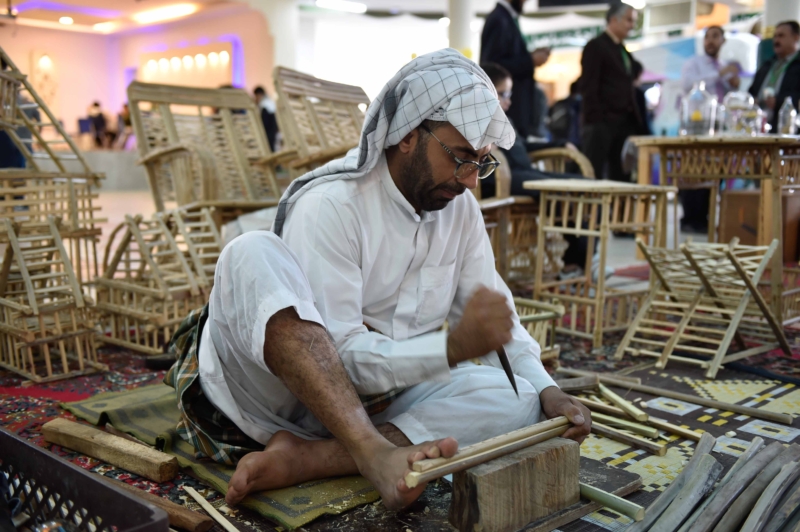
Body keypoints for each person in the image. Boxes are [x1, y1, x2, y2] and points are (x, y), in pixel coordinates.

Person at [165, 49, 591, 509]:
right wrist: (448, 348)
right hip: (271, 398)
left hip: (382, 401)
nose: (470, 180)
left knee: (518, 399)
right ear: (407, 134)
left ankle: (314, 459)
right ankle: (369, 453)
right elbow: (338, 361)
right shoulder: (333, 205)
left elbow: (494, 312)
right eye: (460, 157)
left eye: (481, 162)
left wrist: (548, 389)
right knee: (249, 252)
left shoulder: (459, 209)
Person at [579, 2, 642, 182]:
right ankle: (593, 211)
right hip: (602, 122)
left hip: (623, 122)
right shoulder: (596, 46)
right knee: (594, 173)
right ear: (614, 19)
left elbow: (632, 71)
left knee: (622, 174)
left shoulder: (621, 49)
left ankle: (619, 210)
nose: (632, 26)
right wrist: (597, 119)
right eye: (629, 20)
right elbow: (589, 85)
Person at [481, 0, 541, 139]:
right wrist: (530, 61)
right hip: (510, 112)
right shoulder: (499, 20)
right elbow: (493, 67)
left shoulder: (505, 18)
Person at [748, 20, 800, 129]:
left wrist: (779, 101)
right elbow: (751, 92)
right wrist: (753, 100)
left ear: (796, 37)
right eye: (775, 36)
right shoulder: (767, 65)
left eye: (781, 36)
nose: (776, 40)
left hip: (787, 127)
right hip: (759, 125)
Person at [681, 25, 741, 101]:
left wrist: (734, 85)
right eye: (707, 37)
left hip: (719, 111)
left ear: (723, 40)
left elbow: (728, 95)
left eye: (715, 36)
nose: (710, 41)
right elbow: (687, 85)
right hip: (698, 112)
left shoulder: (724, 66)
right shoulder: (693, 63)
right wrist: (718, 74)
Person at [254, 85, 279, 152]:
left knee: (270, 149)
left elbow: (264, 122)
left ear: (259, 94)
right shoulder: (270, 101)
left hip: (269, 133)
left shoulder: (264, 105)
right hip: (274, 131)